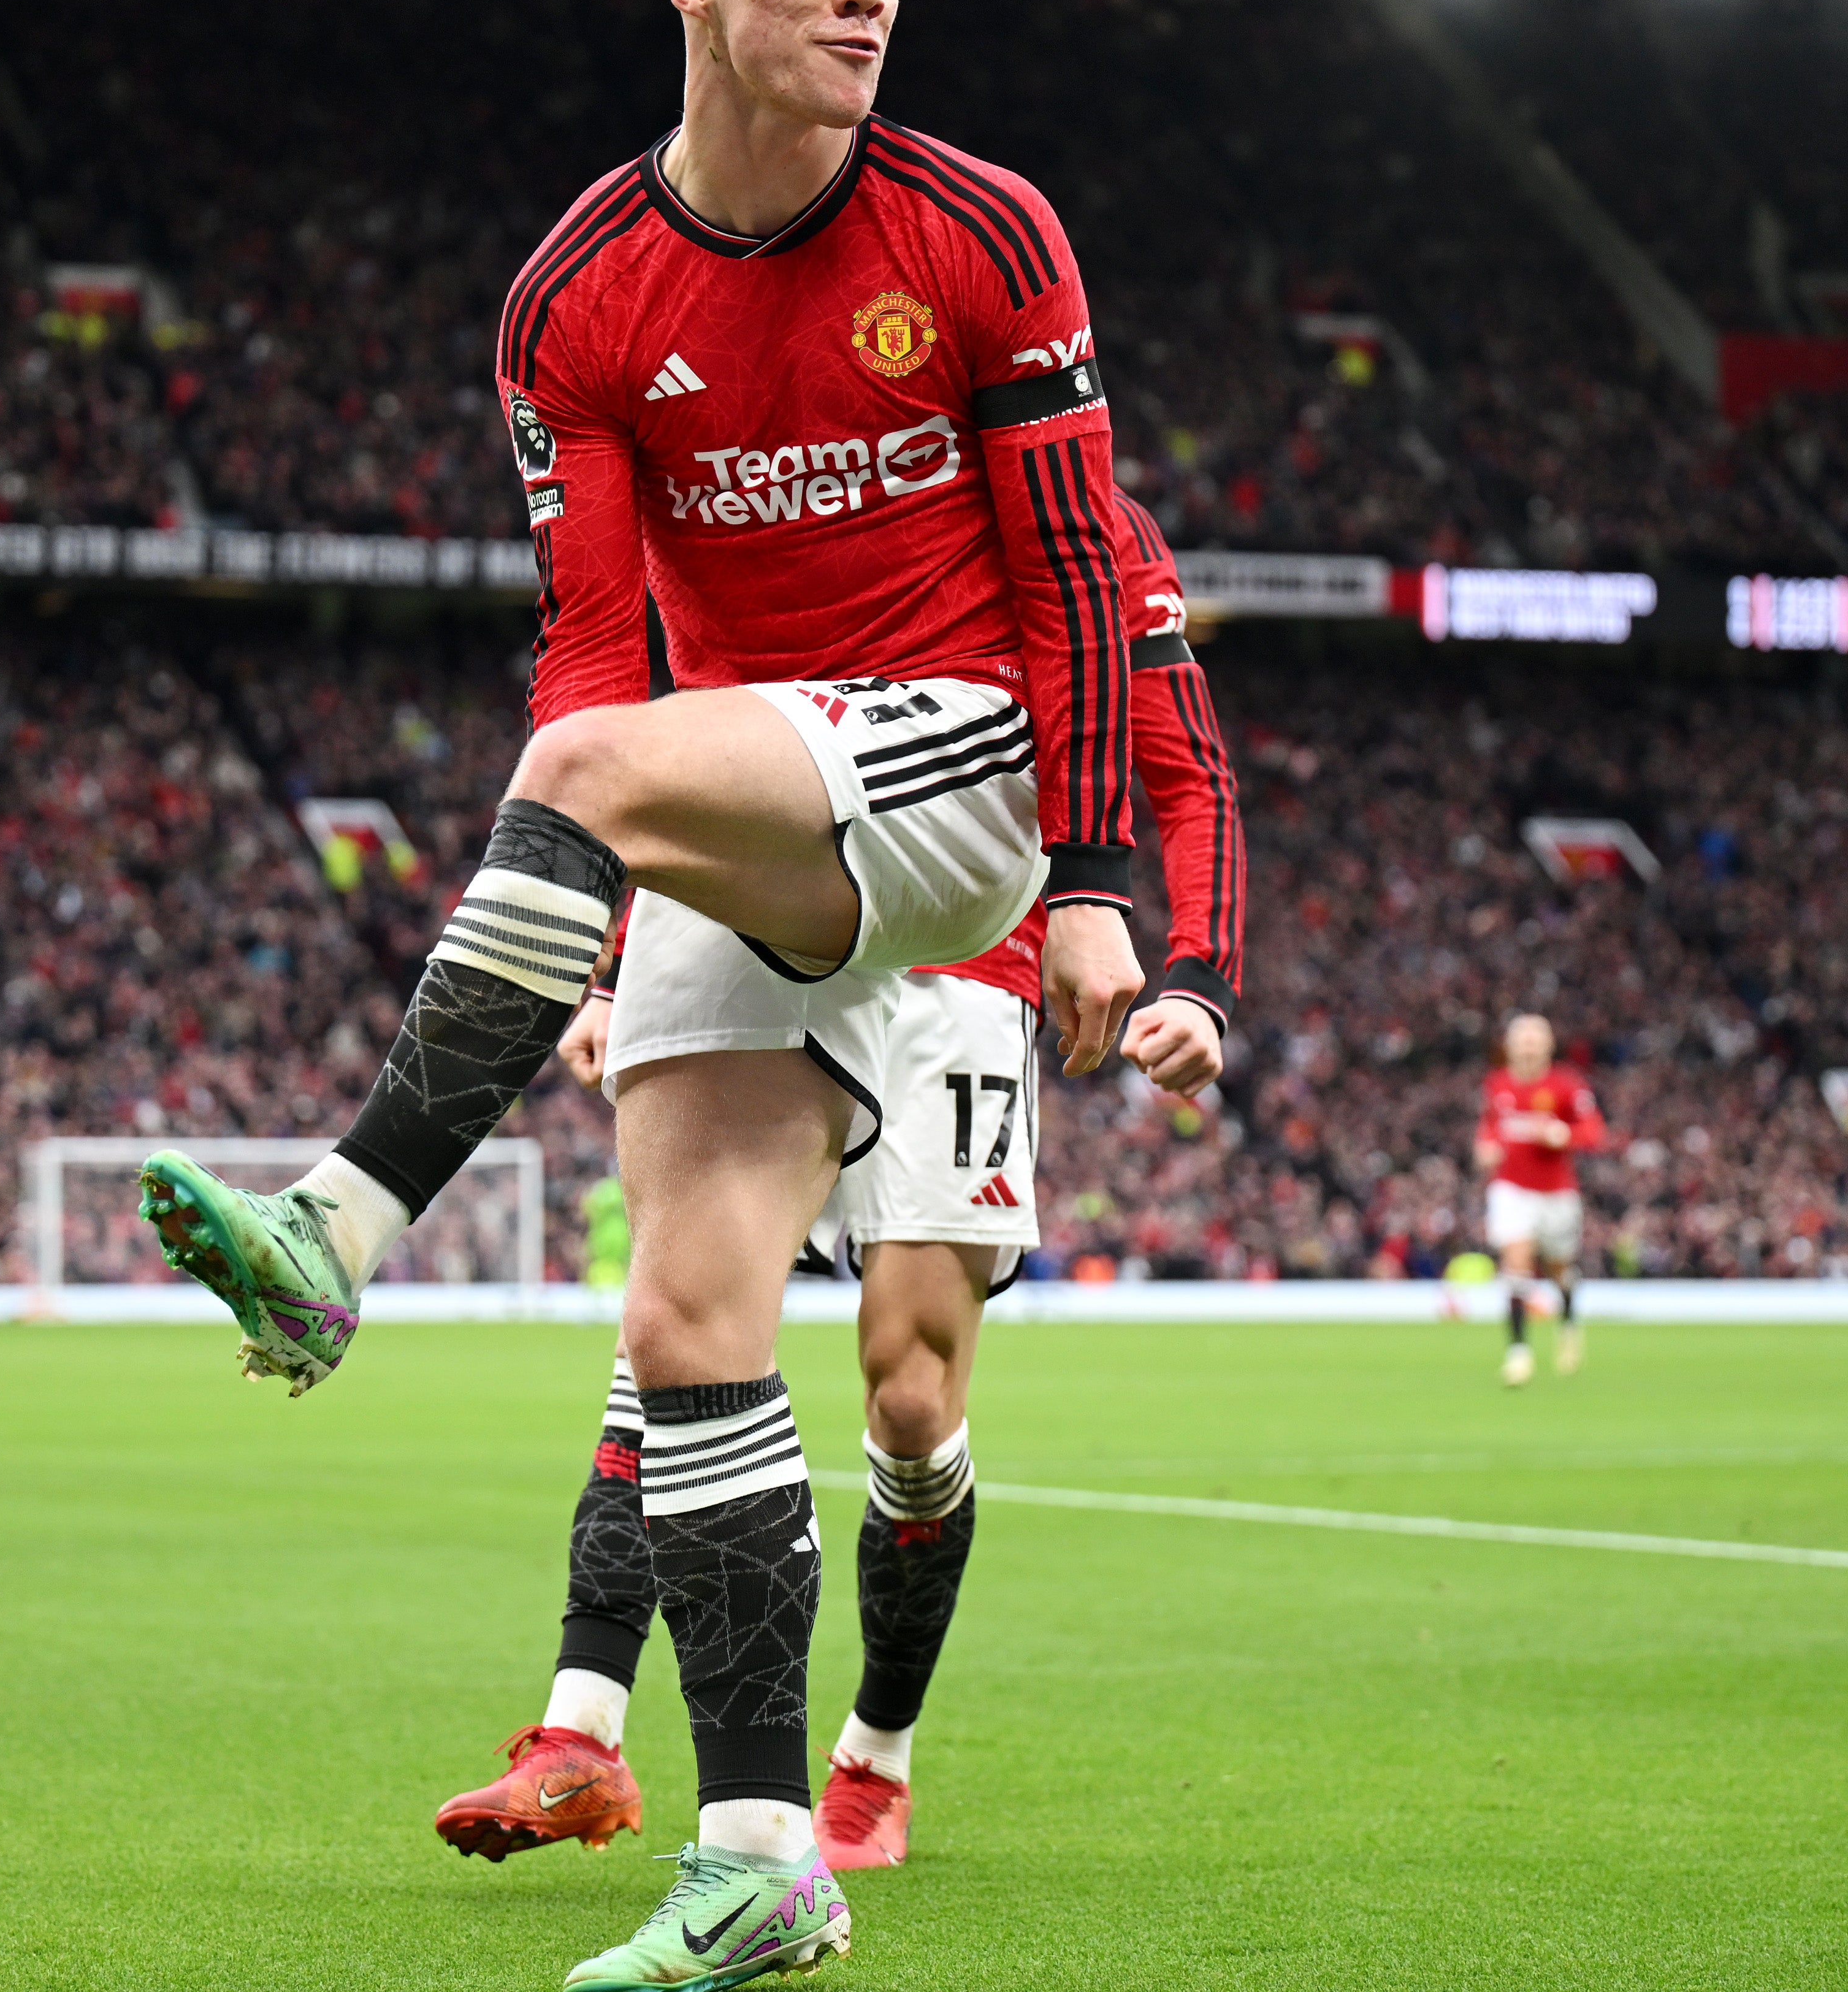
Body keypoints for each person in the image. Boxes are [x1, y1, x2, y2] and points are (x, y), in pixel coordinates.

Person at [136, 0, 1141, 1992]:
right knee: (683, 1325)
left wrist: (1092, 878)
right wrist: (596, 907)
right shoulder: (575, 298)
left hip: (960, 768)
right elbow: (590, 651)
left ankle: (337, 1229)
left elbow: (1077, 575)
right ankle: (767, 1849)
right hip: (755, 792)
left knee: (590, 777)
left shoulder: (981, 234)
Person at [431, 490, 1243, 1878]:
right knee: (674, 1321)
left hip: (967, 976)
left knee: (911, 1398)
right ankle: (583, 1725)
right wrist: (627, 958)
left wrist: (1202, 974)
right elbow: (717, 748)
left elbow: (1186, 766)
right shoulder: (815, 453)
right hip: (777, 939)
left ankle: (875, 1744)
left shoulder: (1088, 520)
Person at [1476, 1013, 1603, 1386]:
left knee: (1560, 1269)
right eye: (1523, 1039)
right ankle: (1519, 1353)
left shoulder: (1566, 1085)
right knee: (1516, 1262)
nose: (1529, 1046)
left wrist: (1563, 1134)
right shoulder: (1497, 1084)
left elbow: (1594, 1131)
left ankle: (1568, 1323)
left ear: (1548, 1045)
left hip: (1557, 1193)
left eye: (1536, 1039)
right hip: (1511, 1188)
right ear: (1511, 1046)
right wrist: (1484, 1148)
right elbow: (1489, 1128)